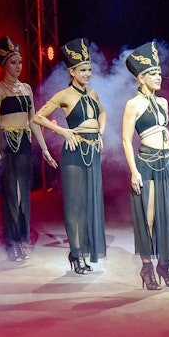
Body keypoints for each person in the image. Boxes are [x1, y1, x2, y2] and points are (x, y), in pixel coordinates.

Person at [33, 37, 107, 274]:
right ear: (72, 72)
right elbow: (38, 117)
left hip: (93, 151)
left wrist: (102, 132)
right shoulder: (64, 95)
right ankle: (76, 254)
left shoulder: (93, 93)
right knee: (74, 205)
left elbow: (102, 113)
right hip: (74, 154)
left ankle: (82, 250)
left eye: (89, 70)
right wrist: (63, 131)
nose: (88, 74)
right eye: (83, 70)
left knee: (88, 204)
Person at [120, 40, 169, 290]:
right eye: (153, 74)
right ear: (141, 78)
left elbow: (167, 134)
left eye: (159, 73)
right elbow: (126, 139)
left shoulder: (164, 103)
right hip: (146, 162)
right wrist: (133, 171)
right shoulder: (133, 104)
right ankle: (147, 268)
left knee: (167, 214)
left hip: (167, 161)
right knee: (148, 216)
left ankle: (164, 265)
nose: (159, 77)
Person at [0, 36, 55, 262]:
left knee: (23, 193)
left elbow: (33, 120)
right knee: (10, 193)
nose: (18, 66)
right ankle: (12, 242)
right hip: (7, 143)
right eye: (14, 62)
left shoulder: (26, 89)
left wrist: (44, 149)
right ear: (5, 65)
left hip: (24, 142)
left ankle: (23, 238)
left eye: (21, 62)